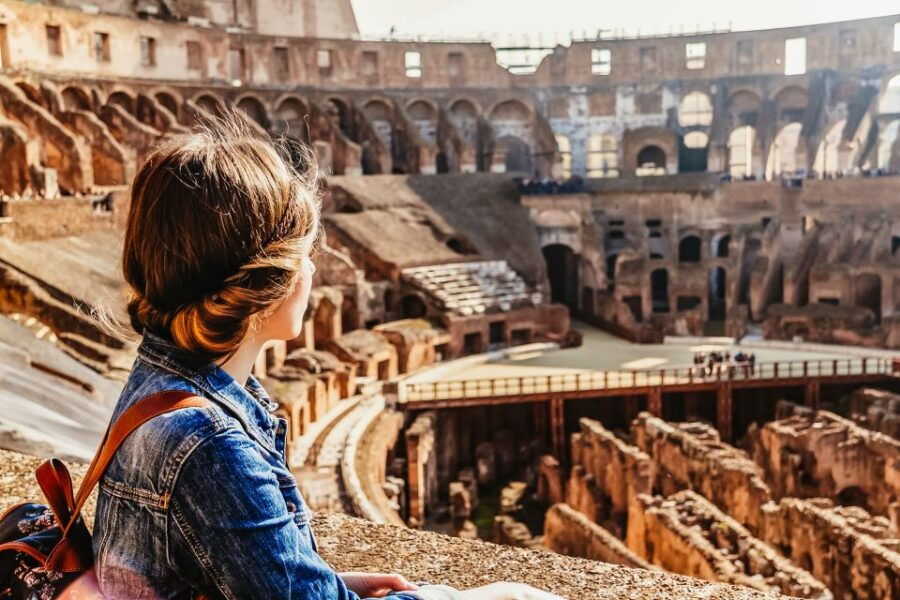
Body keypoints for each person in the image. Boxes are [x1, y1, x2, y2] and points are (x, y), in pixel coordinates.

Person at [92, 113, 563, 600]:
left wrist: (326, 586)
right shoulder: (210, 445)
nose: (313, 270)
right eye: (305, 254)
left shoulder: (162, 382)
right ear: (271, 279)